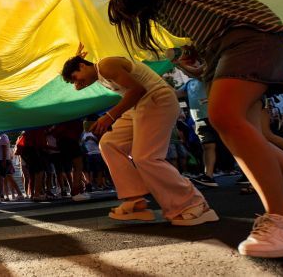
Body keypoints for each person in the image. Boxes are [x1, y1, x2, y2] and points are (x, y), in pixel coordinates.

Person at [79, 0, 283, 257]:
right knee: (252, 139)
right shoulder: (167, 4)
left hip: (249, 38)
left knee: (225, 117)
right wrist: (195, 53)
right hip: (229, 49)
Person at [61, 51, 218, 227]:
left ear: (82, 66)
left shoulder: (105, 65)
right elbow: (133, 94)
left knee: (145, 157)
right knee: (109, 143)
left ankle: (195, 204)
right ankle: (135, 201)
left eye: (75, 78)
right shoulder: (99, 74)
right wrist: (75, 66)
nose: (76, 85)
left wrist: (110, 116)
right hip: (140, 106)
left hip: (157, 99)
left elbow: (138, 90)